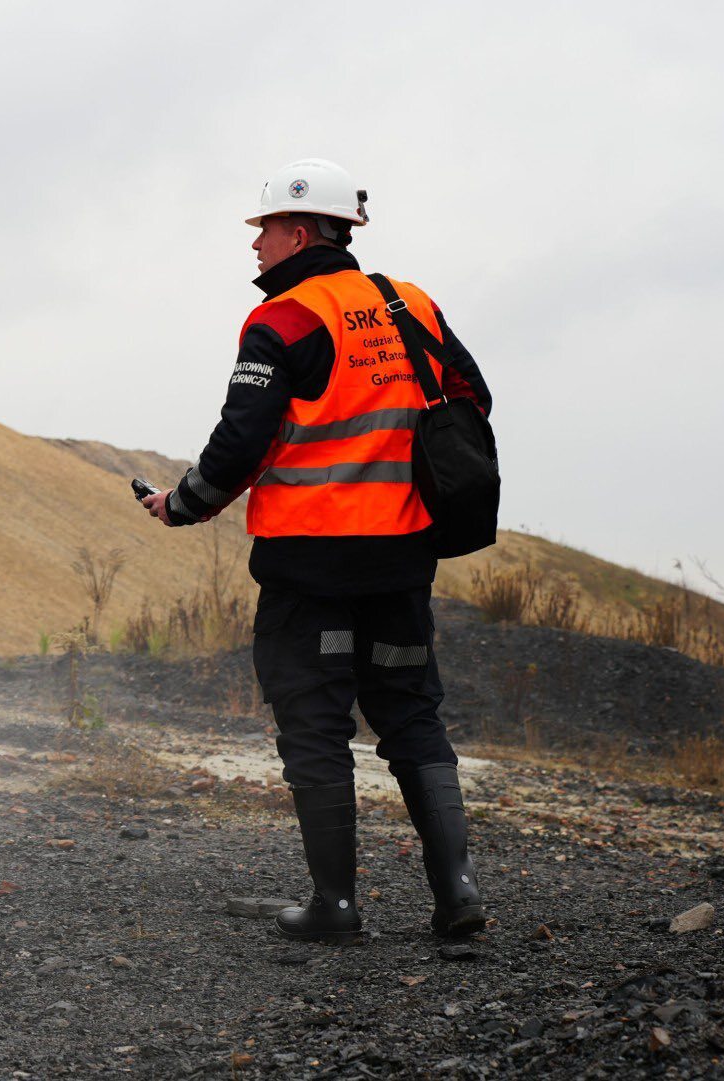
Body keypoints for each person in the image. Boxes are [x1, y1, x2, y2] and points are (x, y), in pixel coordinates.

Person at [141, 158, 493, 945]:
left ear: (299, 231)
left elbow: (240, 443)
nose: (255, 247)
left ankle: (335, 905)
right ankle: (458, 892)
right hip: (402, 560)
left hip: (310, 567)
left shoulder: (286, 321)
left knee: (315, 720)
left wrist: (183, 505)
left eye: (262, 230)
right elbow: (473, 398)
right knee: (411, 715)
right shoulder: (413, 305)